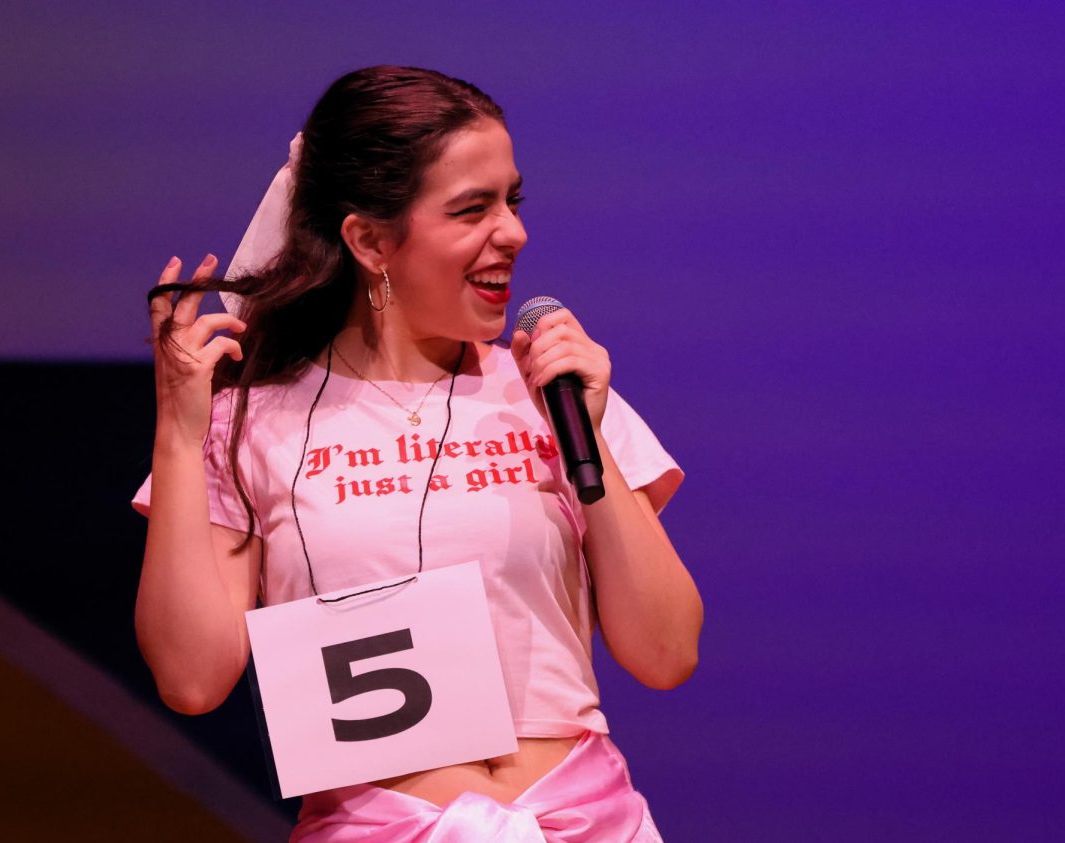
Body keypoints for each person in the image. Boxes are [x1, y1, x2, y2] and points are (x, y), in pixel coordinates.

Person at [133, 65, 702, 841]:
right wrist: (177, 432)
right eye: (472, 208)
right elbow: (192, 679)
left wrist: (588, 436)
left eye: (513, 200)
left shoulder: (554, 395)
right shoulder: (252, 423)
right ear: (370, 239)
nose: (514, 232)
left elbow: (667, 652)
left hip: (584, 823)